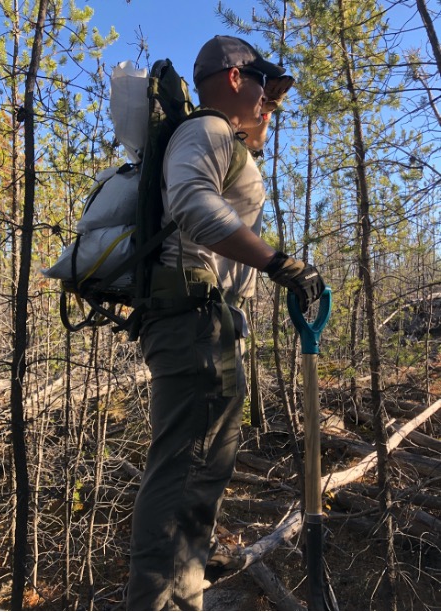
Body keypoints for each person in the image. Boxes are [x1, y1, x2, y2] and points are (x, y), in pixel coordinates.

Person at [127, 34, 325, 611]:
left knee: (195, 474)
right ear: (236, 78)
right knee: (185, 476)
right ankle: (164, 602)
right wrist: (278, 262)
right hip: (193, 325)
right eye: (265, 86)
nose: (271, 102)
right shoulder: (207, 130)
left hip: (200, 323)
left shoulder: (222, 137)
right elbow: (192, 204)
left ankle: (178, 589)